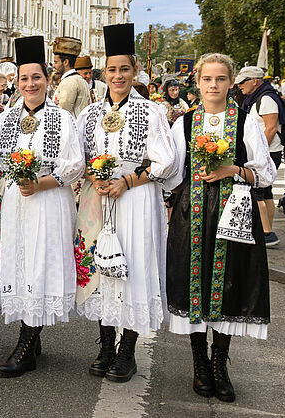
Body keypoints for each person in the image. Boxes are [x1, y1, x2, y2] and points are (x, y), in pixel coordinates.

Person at [165, 53, 275, 403]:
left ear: (231, 83)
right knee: (192, 283)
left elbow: (265, 172)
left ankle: (219, 363)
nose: (214, 86)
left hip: (234, 213)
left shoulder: (245, 121)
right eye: (207, 79)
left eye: (221, 79)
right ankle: (199, 362)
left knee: (228, 284)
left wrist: (233, 170)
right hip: (192, 213)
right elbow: (169, 172)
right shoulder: (184, 123)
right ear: (197, 82)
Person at [75, 23, 178, 383]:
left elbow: (167, 161)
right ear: (104, 73)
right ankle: (105, 346)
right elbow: (77, 158)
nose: (118, 76)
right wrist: (93, 177)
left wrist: (128, 180)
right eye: (112, 70)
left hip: (136, 200)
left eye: (125, 69)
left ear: (135, 72)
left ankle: (127, 351)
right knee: (102, 271)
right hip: (98, 200)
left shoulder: (150, 112)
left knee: (132, 268)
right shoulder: (88, 115)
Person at [0, 36, 84, 377]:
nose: (30, 84)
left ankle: (26, 342)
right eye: (24, 78)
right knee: (19, 262)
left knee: (40, 263)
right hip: (14, 202)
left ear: (48, 79)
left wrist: (38, 183)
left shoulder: (61, 118)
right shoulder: (6, 119)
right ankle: (31, 332)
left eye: (36, 77)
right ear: (17, 81)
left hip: (47, 200)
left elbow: (74, 164)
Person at [236, 66, 284, 247]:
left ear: (254, 81)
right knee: (266, 192)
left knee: (258, 191)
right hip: (265, 151)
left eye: (242, 82)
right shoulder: (257, 98)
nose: (240, 86)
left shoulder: (266, 99)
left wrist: (259, 152)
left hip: (267, 151)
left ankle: (266, 233)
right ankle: (268, 230)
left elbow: (271, 128)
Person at [52, 36, 90, 117]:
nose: (54, 66)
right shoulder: (80, 80)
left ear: (66, 62)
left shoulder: (69, 82)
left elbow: (62, 114)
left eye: (56, 62)